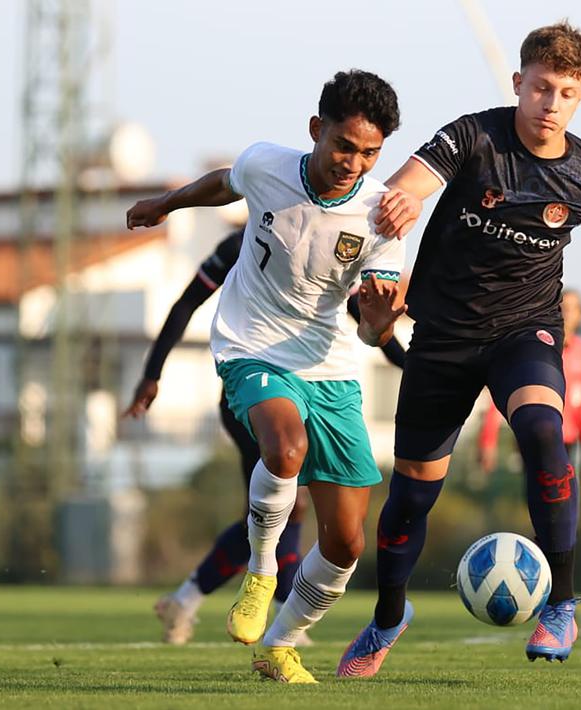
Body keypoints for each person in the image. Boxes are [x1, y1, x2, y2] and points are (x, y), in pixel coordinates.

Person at [337, 21, 581, 676]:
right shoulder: (473, 137)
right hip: (442, 337)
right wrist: (399, 203)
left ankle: (562, 604)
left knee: (546, 432)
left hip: (526, 331)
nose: (551, 103)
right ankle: (386, 619)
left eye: (567, 93)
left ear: (580, 98)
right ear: (518, 83)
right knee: (410, 496)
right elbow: (406, 184)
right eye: (541, 87)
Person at [127, 70, 404, 683]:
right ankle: (260, 571)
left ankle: (281, 644)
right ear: (316, 130)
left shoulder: (381, 214)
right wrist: (165, 204)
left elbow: (370, 324)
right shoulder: (267, 165)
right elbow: (222, 184)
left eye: (368, 153)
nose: (352, 163)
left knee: (347, 544)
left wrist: (382, 328)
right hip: (249, 345)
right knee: (285, 448)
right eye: (343, 145)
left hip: (330, 366)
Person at [125, 227, 407, 646]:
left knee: (267, 513)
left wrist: (411, 365)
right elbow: (186, 303)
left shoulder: (317, 249)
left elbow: (356, 312)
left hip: (308, 387)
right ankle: (274, 605)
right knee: (288, 501)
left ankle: (185, 600)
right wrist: (152, 373)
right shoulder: (238, 245)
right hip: (253, 390)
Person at [477, 289, 581, 475]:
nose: (567, 314)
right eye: (562, 308)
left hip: (568, 437)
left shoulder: (580, 350)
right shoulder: (536, 346)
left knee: (564, 492)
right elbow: (496, 397)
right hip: (537, 430)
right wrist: (488, 440)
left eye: (572, 309)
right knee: (546, 492)